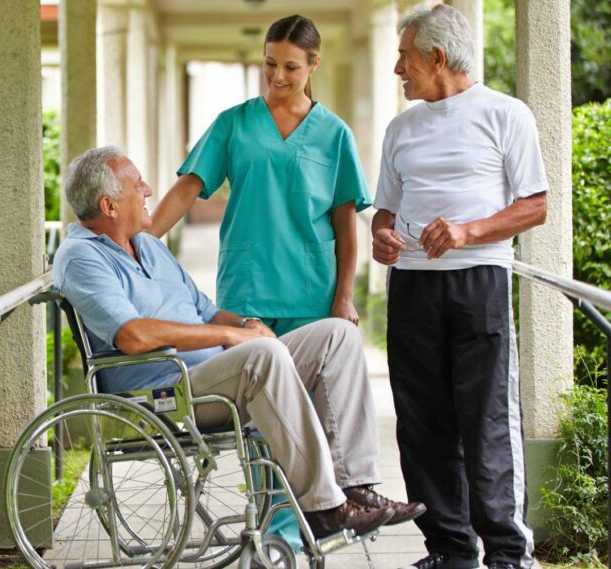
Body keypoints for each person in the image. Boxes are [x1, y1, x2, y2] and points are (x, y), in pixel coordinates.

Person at [54, 145, 425, 542]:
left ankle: (354, 488)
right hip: (164, 393)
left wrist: (246, 323)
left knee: (338, 335)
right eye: (136, 184)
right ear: (109, 206)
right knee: (259, 355)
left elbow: (207, 311)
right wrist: (233, 337)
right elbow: (133, 335)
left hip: (215, 376)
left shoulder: (149, 246)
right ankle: (325, 509)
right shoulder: (81, 258)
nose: (147, 189)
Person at [371, 5, 548, 569]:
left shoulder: (506, 114)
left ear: (436, 57)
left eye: (405, 56)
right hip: (412, 289)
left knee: (487, 418)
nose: (398, 68)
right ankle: (449, 550)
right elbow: (384, 212)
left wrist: (469, 230)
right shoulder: (400, 129)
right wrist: (382, 238)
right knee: (422, 422)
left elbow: (535, 205)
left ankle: (506, 552)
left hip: (480, 285)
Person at [148, 14, 370, 337]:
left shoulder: (335, 134)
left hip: (311, 294)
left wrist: (345, 298)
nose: (277, 76)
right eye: (270, 63)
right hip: (246, 290)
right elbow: (187, 189)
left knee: (304, 388)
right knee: (247, 384)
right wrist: (139, 242)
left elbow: (345, 223)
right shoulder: (233, 123)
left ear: (314, 64)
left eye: (291, 67)